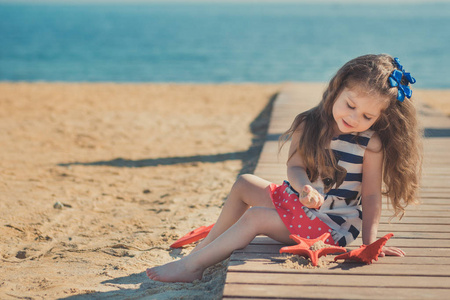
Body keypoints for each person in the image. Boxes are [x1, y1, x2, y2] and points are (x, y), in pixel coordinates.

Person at [146, 54, 422, 283]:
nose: (354, 118)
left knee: (256, 217)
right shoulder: (308, 123)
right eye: (350, 105)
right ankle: (204, 249)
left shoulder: (370, 144)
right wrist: (305, 187)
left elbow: (372, 196)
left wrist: (368, 243)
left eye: (367, 116)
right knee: (244, 183)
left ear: (380, 116)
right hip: (301, 201)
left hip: (329, 225)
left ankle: (192, 267)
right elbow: (295, 166)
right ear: (337, 89)